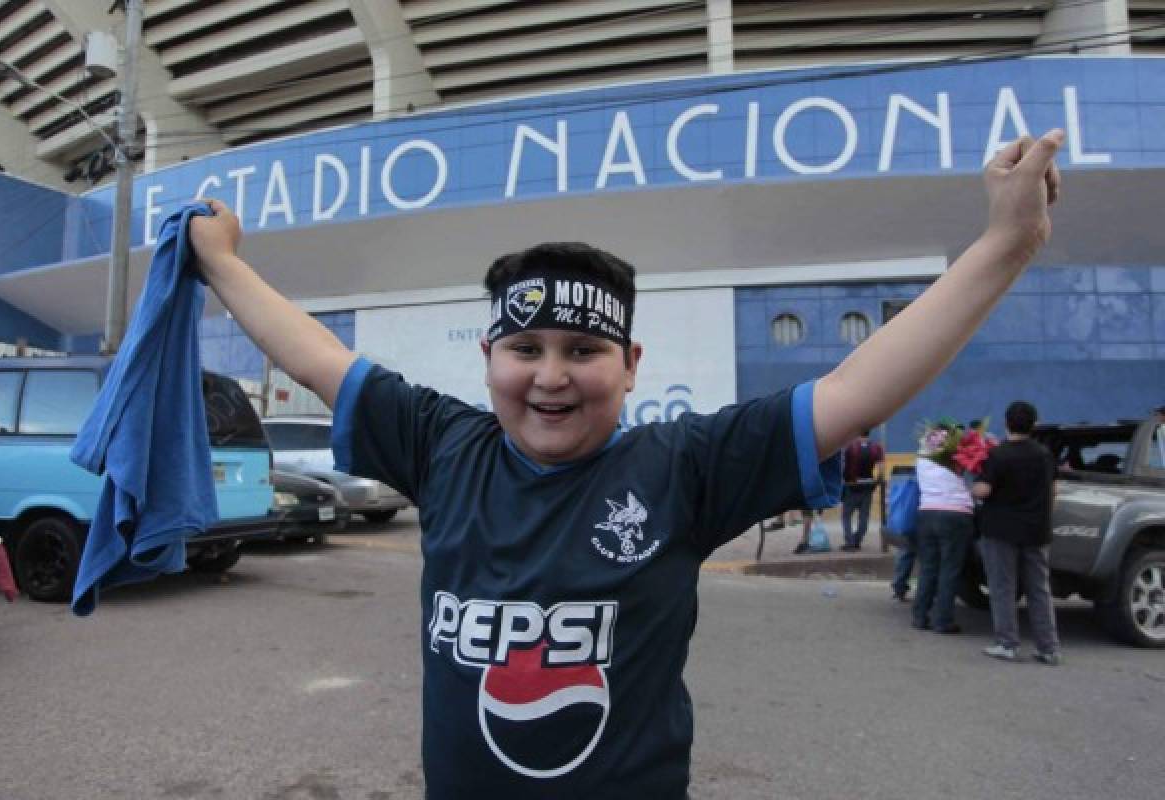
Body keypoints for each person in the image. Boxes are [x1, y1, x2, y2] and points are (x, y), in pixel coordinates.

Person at [187, 130, 1063, 797]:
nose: (552, 376)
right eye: (524, 348)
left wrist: (1004, 244)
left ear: (632, 365)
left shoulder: (683, 465)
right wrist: (223, 264)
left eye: (583, 350)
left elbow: (855, 391)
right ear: (490, 357)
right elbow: (313, 356)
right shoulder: (441, 444)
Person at [972, 401, 1061, 665]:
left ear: (1006, 422)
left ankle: (1007, 643)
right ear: (1034, 425)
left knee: (1003, 587)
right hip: (1037, 530)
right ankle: (1049, 647)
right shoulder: (1045, 455)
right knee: (1039, 588)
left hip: (1001, 530)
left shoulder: (998, 455)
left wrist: (973, 487)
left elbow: (984, 491)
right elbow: (1054, 490)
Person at [911, 424, 974, 634]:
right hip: (955, 513)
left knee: (928, 567)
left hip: (927, 511)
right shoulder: (956, 452)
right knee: (949, 569)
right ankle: (943, 620)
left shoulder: (922, 455)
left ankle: (919, 616)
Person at [840, 429, 884, 550]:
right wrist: (877, 481)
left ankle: (850, 542)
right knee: (864, 516)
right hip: (868, 484)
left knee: (846, 515)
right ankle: (857, 539)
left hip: (852, 485)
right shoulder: (876, 448)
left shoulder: (850, 447)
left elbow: (843, 466)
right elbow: (881, 469)